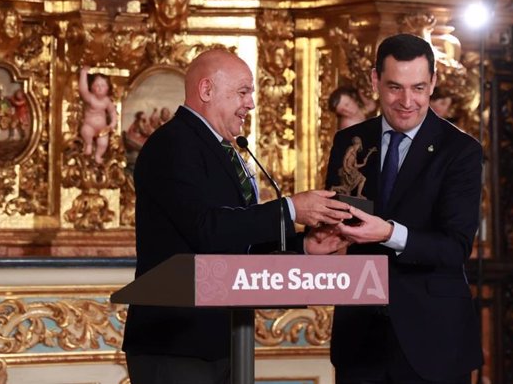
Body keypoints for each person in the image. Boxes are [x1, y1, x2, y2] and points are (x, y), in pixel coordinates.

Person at [122, 48, 352, 384]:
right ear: (206, 90)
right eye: (242, 92)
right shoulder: (171, 145)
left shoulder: (222, 149)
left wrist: (305, 247)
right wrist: (290, 209)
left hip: (225, 337)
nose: (251, 104)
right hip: (175, 342)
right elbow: (206, 229)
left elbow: (237, 243)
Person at [313, 34, 483, 383]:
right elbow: (340, 217)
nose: (407, 101)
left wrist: (390, 234)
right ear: (375, 81)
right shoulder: (350, 141)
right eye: (395, 87)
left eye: (419, 88)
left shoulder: (460, 151)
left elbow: (455, 248)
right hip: (360, 341)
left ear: (433, 83)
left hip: (432, 340)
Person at [78, 66, 117, 164]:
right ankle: (89, 145)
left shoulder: (107, 101)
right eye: (97, 85)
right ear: (92, 87)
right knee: (85, 131)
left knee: (103, 143)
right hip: (89, 126)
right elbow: (83, 90)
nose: (100, 88)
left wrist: (112, 123)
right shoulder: (90, 98)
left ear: (107, 88)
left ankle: (98, 155)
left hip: (102, 129)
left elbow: (113, 112)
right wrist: (83, 74)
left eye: (103, 86)